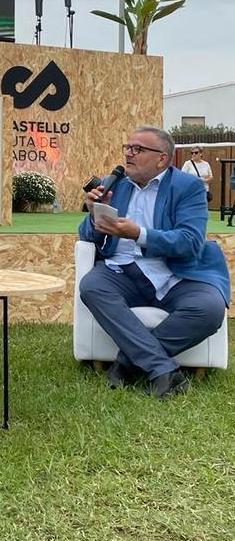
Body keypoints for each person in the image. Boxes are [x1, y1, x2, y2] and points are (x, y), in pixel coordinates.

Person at [78, 126, 230, 398]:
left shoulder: (188, 187)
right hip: (122, 272)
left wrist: (139, 234)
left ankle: (127, 363)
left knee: (209, 309)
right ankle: (162, 369)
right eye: (127, 147)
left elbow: (191, 241)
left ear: (162, 158)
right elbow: (87, 235)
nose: (128, 153)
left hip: (176, 273)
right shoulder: (115, 183)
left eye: (137, 149)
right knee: (92, 286)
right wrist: (93, 216)